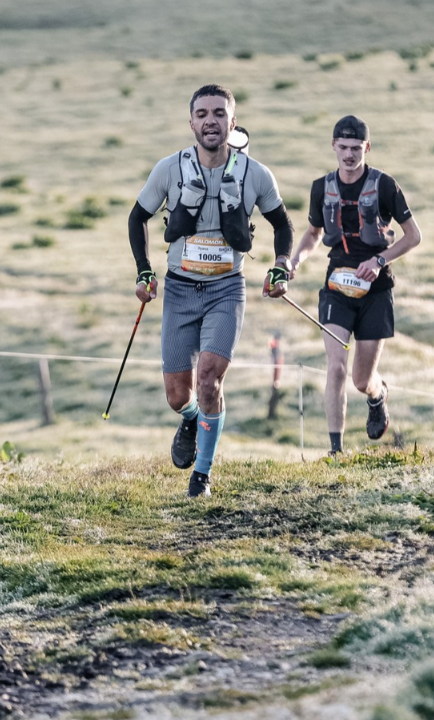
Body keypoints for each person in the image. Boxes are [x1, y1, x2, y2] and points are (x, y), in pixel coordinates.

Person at [127, 84, 294, 497]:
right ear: (191, 123)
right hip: (181, 289)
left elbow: (283, 225)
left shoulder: (256, 174)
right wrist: (144, 272)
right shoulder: (170, 168)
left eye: (219, 113)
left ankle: (201, 473)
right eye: (202, 114)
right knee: (176, 394)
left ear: (232, 122)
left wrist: (280, 267)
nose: (210, 121)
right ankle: (189, 419)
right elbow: (137, 217)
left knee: (209, 379)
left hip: (226, 290)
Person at [289, 115, 423, 457]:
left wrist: (379, 261)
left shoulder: (385, 185)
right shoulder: (321, 187)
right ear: (333, 146)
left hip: (375, 291)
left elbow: (413, 236)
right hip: (336, 286)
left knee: (361, 380)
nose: (349, 155)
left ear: (367, 147)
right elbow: (314, 234)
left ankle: (377, 396)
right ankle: (336, 450)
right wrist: (293, 261)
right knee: (335, 366)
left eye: (356, 148)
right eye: (343, 147)